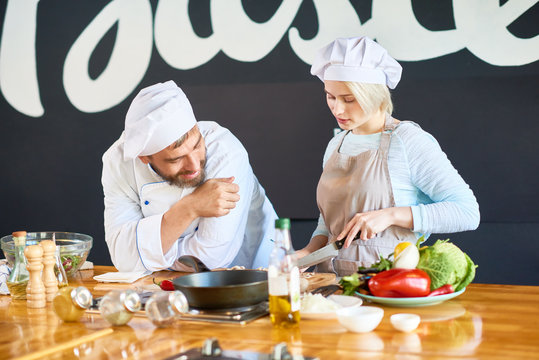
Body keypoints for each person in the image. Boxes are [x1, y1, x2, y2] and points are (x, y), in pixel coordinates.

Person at [296, 37, 480, 276]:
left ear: (374, 94)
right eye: (331, 96)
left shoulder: (407, 141)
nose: (338, 109)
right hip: (329, 287)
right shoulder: (336, 145)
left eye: (349, 99)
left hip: (388, 289)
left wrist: (391, 215)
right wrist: (307, 253)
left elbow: (466, 212)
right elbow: (329, 222)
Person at [101, 80, 277, 273]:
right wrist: (190, 207)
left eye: (197, 146)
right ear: (144, 157)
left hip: (257, 269)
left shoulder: (225, 151)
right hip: (167, 285)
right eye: (176, 159)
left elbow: (210, 258)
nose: (194, 165)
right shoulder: (119, 163)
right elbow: (123, 259)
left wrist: (146, 255)